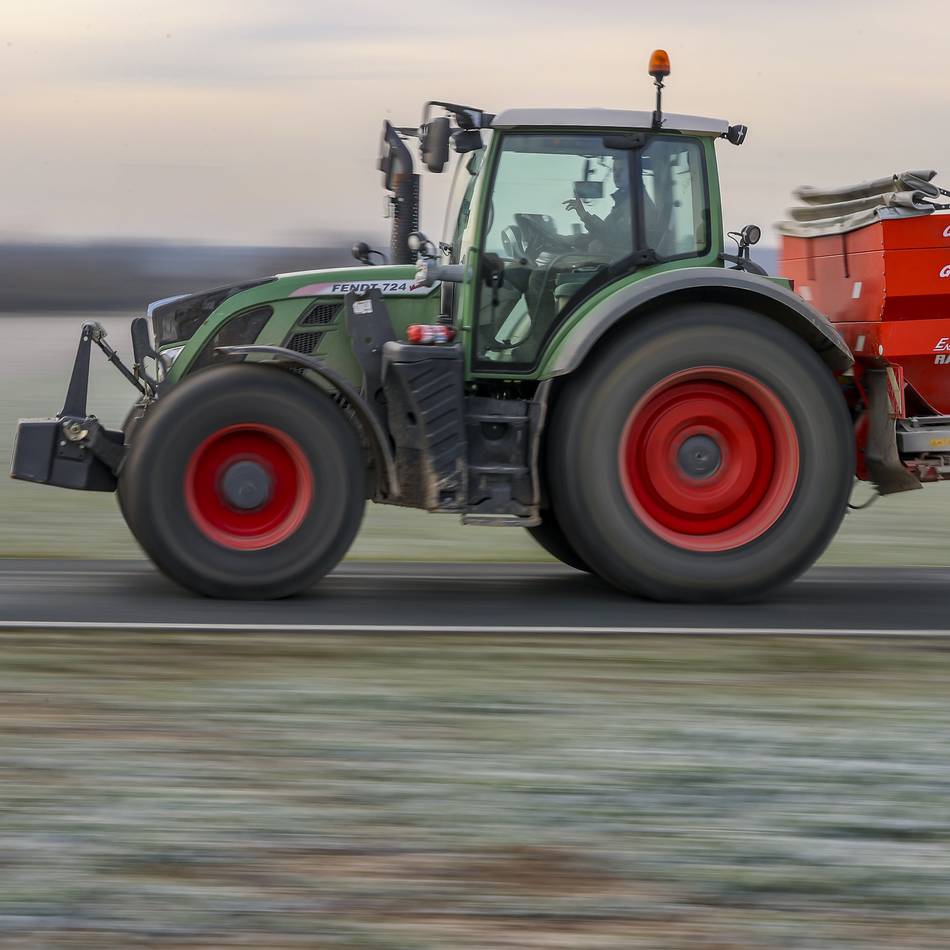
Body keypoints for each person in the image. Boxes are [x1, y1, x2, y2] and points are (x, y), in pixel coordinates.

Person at [563, 157, 633, 253]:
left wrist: (603, 247)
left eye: (621, 170)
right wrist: (583, 214)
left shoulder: (636, 205)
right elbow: (607, 232)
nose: (617, 174)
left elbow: (619, 241)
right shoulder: (625, 201)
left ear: (633, 173)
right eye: (615, 170)